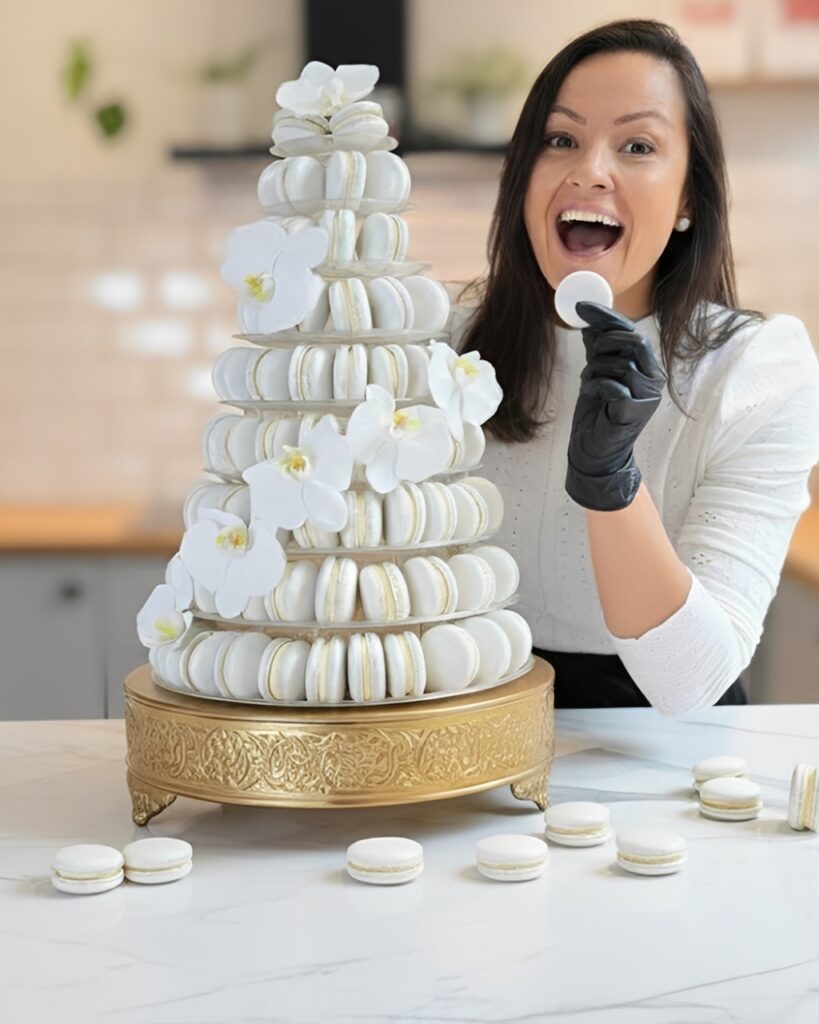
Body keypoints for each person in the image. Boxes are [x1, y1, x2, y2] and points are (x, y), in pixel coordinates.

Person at [452, 19, 819, 714]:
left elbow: (691, 684)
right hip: (470, 722)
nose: (588, 169)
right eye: (559, 139)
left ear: (687, 198)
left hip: (666, 747)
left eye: (637, 145)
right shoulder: (444, 347)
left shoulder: (756, 370)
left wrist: (611, 484)